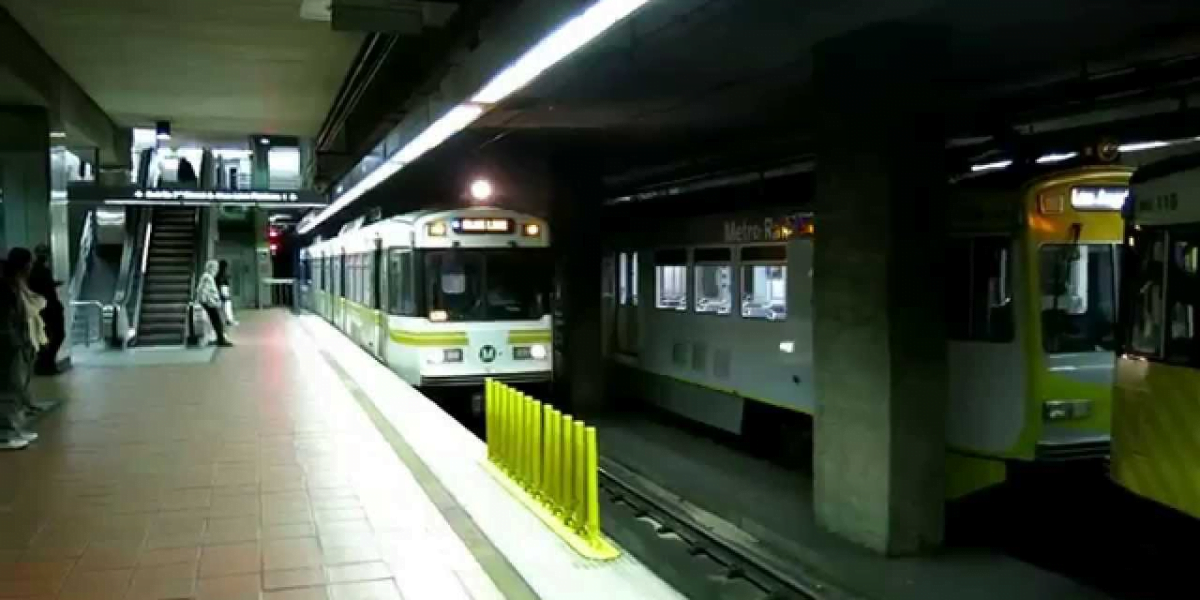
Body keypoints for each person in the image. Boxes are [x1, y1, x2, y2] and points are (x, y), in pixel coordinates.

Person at [1, 248, 45, 449]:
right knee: (10, 389)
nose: (31, 267)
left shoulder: (15, 285)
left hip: (18, 341)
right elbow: (8, 320)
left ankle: (14, 429)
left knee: (18, 388)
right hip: (9, 344)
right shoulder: (6, 287)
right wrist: (15, 340)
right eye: (30, 263)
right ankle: (5, 434)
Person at [29, 244, 65, 375]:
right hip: (48, 309)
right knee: (56, 335)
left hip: (45, 308)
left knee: (51, 336)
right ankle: (45, 364)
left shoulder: (38, 270)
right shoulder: (38, 270)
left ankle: (46, 364)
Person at [196, 260, 232, 347]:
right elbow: (203, 291)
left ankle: (219, 338)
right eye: (215, 268)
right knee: (217, 322)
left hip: (210, 304)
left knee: (215, 322)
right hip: (210, 304)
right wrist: (205, 302)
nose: (217, 270)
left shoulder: (208, 277)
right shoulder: (207, 277)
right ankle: (220, 340)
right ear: (211, 268)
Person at [216, 260, 238, 326]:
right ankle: (229, 320)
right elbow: (221, 283)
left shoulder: (219, 273)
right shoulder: (222, 274)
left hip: (223, 289)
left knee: (225, 306)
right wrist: (223, 294)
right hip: (223, 289)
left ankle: (228, 320)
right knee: (227, 305)